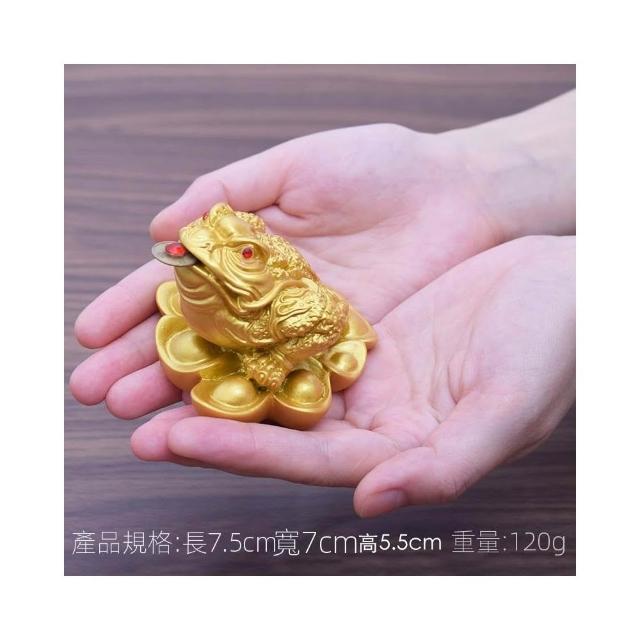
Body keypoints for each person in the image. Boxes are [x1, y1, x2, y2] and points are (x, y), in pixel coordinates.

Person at [70, 90, 576, 518]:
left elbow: (327, 318)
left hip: (283, 324)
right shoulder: (209, 281)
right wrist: (476, 172)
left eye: (241, 253)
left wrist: (279, 356)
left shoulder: (286, 306)